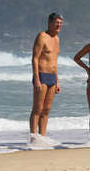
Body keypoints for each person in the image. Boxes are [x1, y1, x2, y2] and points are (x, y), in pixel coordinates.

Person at [30, 12, 63, 144]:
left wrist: (58, 81)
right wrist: (37, 79)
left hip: (52, 77)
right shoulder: (42, 36)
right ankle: (33, 138)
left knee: (47, 109)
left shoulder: (57, 39)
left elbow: (54, 61)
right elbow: (35, 58)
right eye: (56, 23)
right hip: (42, 75)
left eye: (60, 23)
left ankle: (42, 137)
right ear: (49, 23)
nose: (59, 25)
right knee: (38, 108)